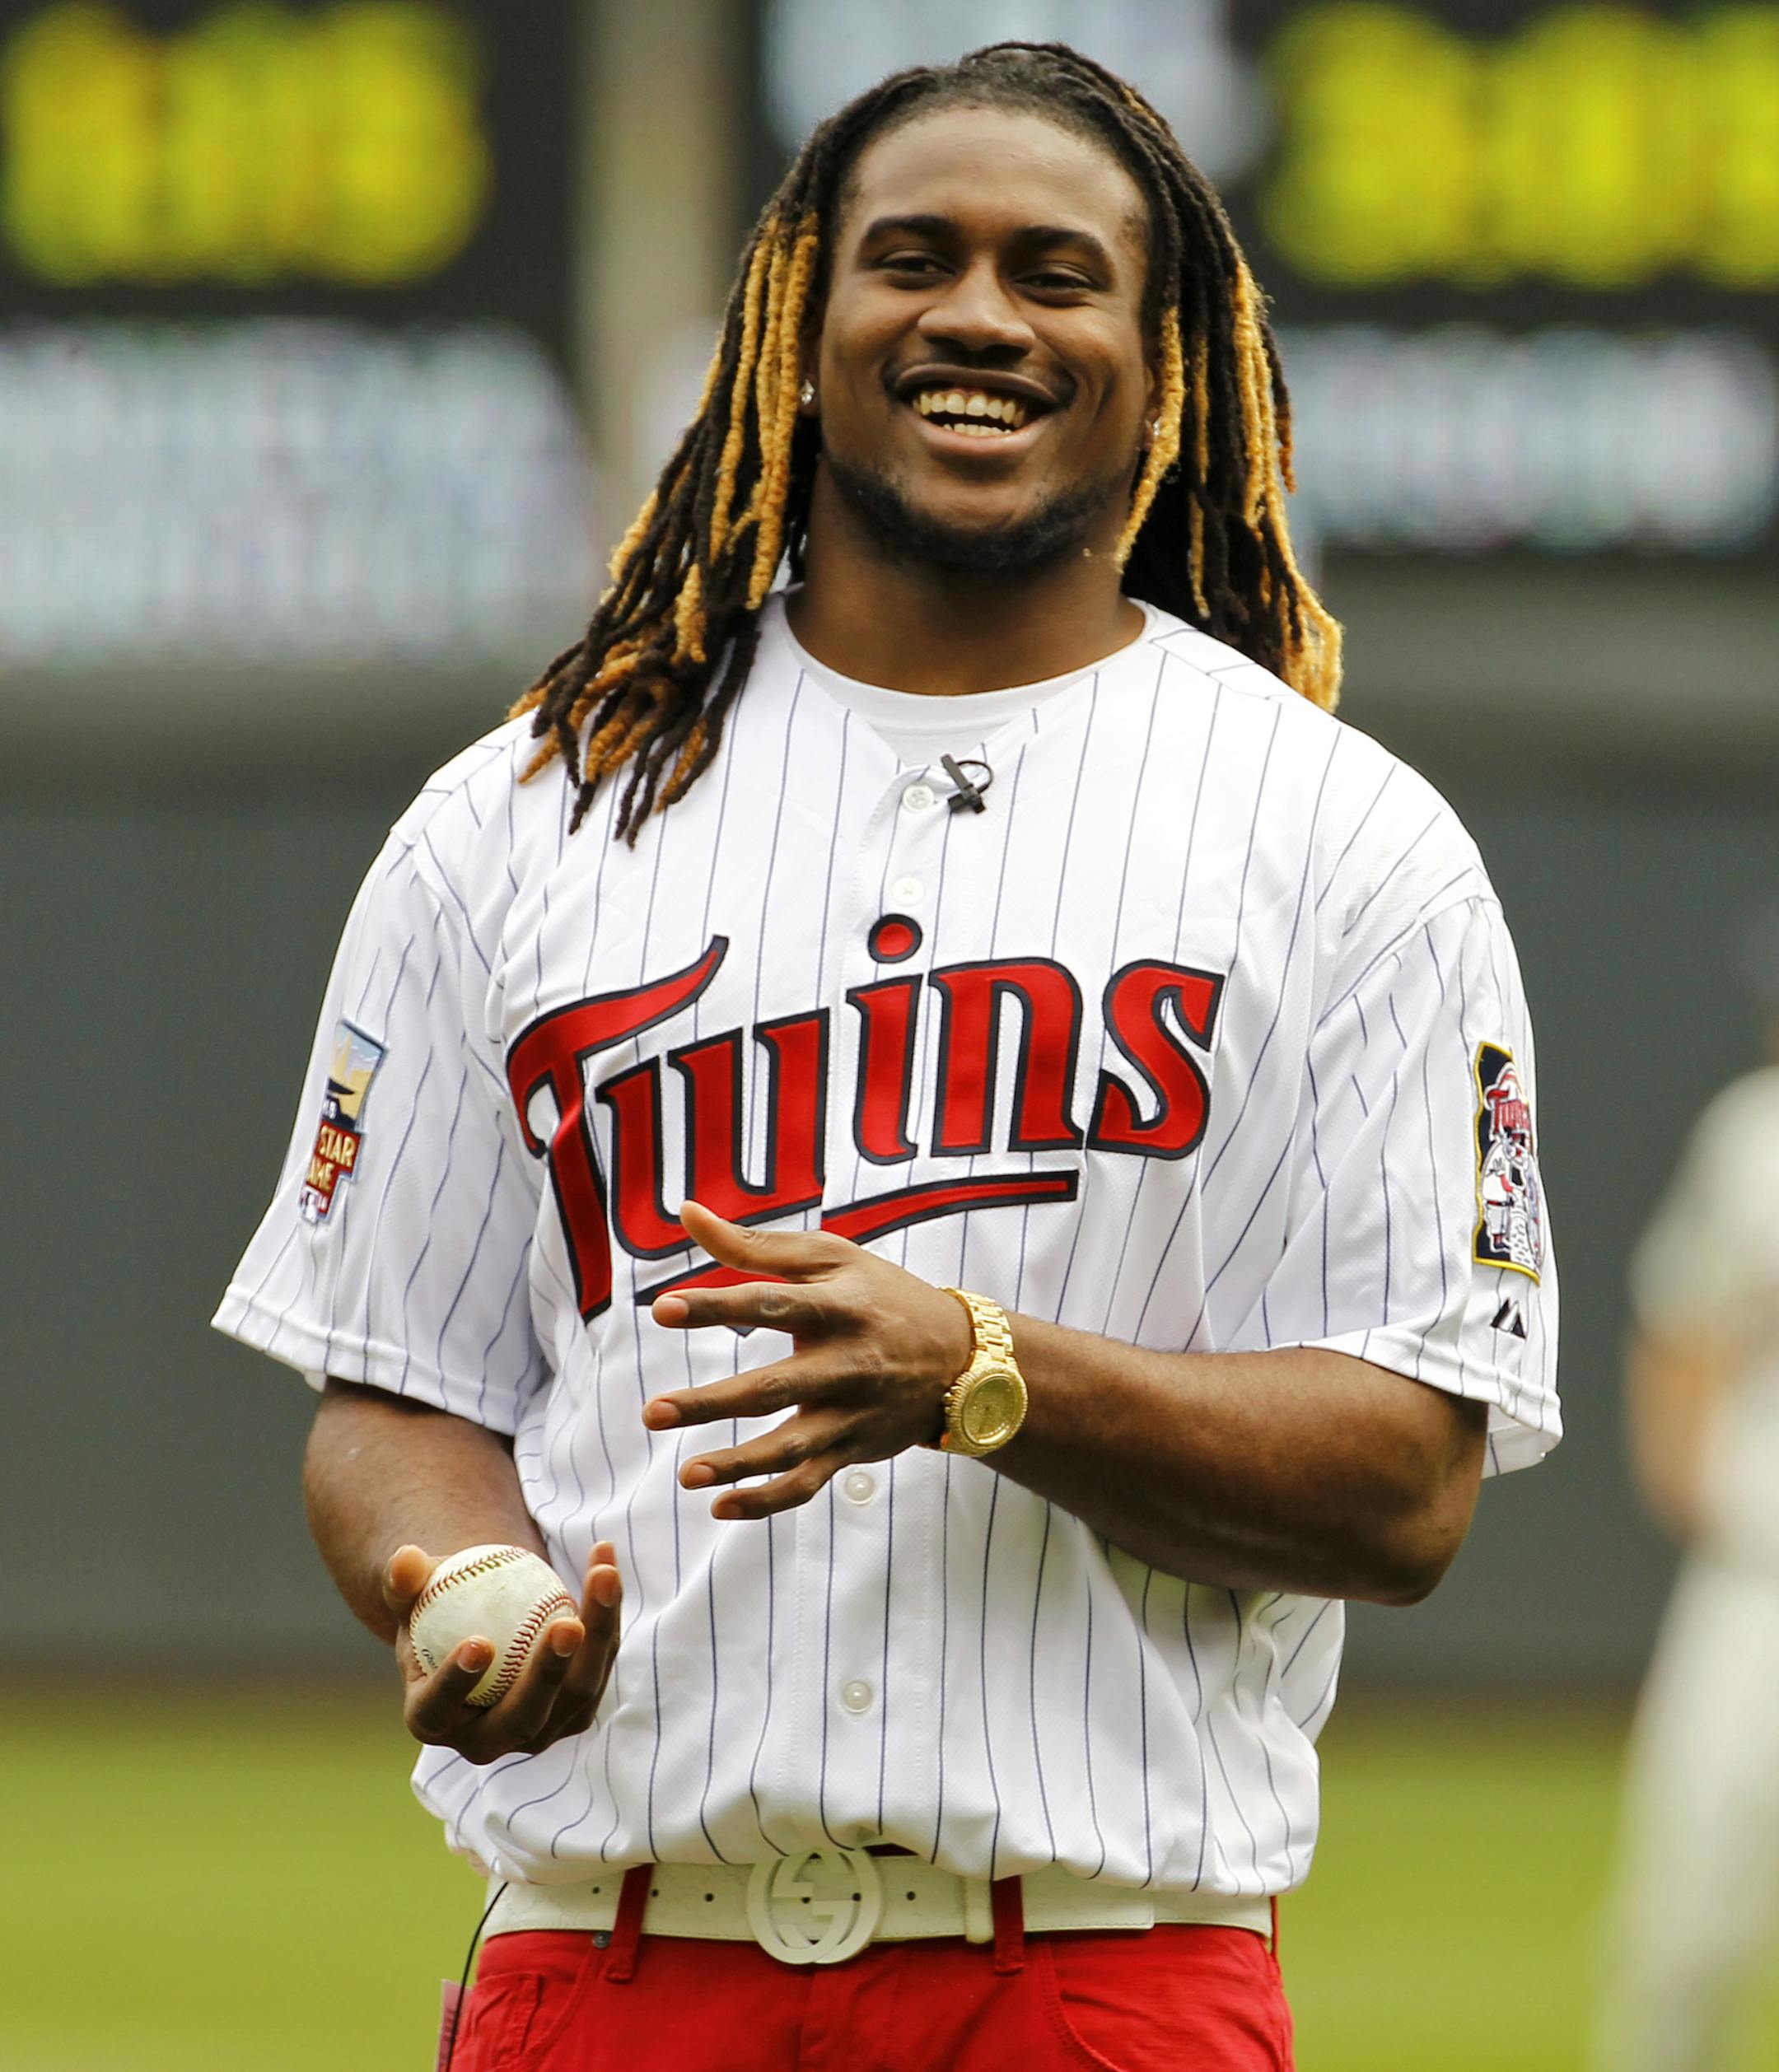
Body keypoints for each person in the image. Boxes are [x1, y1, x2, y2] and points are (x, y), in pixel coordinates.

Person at [215, 42, 1561, 2070]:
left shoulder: (1347, 840)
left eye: (1057, 272)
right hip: (610, 1954)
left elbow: (1408, 1486)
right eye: (911, 259)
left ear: (1160, 344)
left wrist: (984, 1375)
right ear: (800, 315)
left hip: (1102, 1959)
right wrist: (468, 1577)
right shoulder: (516, 820)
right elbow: (390, 1387)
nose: (978, 316)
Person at [1592, 936, 1779, 2072]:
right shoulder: (1754, 1137)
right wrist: (1688, 1476)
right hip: (1757, 1581)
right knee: (1682, 1921)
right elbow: (1677, 1316)